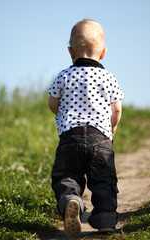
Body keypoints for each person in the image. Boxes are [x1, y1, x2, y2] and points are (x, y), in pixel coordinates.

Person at [47, 19, 124, 237]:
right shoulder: (109, 77)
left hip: (70, 138)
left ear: (71, 51)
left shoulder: (64, 75)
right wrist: (112, 128)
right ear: (103, 53)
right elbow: (116, 110)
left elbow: (53, 103)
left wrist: (62, 114)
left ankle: (71, 200)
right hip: (100, 139)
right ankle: (106, 219)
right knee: (103, 181)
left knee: (67, 176)